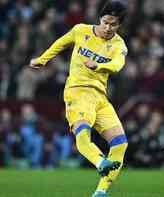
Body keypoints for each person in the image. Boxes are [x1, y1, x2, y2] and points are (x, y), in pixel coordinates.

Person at [29, 1, 128, 197]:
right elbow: (61, 43)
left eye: (113, 24)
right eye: (105, 22)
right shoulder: (80, 30)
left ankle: (100, 192)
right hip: (77, 91)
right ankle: (100, 161)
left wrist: (98, 66)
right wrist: (42, 59)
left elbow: (117, 64)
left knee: (120, 143)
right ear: (100, 18)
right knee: (83, 133)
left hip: (100, 97)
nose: (108, 28)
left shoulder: (119, 44)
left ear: (119, 25)